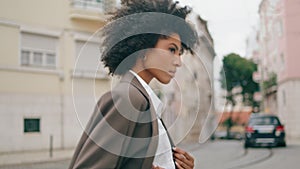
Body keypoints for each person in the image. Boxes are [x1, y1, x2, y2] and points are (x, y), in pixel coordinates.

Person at [69, 0, 198, 168]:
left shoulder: (143, 100)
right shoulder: (128, 98)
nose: (178, 62)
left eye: (180, 53)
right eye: (172, 50)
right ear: (142, 49)